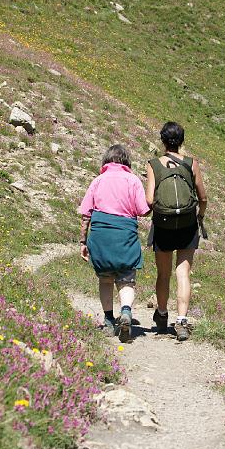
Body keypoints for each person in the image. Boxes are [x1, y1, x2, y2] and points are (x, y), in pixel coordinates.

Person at [79, 144, 150, 342]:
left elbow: (86, 214)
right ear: (127, 161)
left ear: (106, 160)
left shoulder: (98, 180)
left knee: (105, 279)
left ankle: (109, 321)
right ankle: (126, 312)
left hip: (101, 235)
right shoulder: (133, 180)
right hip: (125, 234)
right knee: (126, 279)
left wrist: (83, 242)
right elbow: (143, 210)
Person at [145, 122, 207, 341]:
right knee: (183, 273)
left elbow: (150, 199)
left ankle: (162, 314)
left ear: (163, 140)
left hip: (163, 224)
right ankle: (181, 321)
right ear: (182, 141)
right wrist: (200, 216)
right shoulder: (192, 164)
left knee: (163, 273)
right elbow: (203, 197)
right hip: (187, 224)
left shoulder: (153, 164)